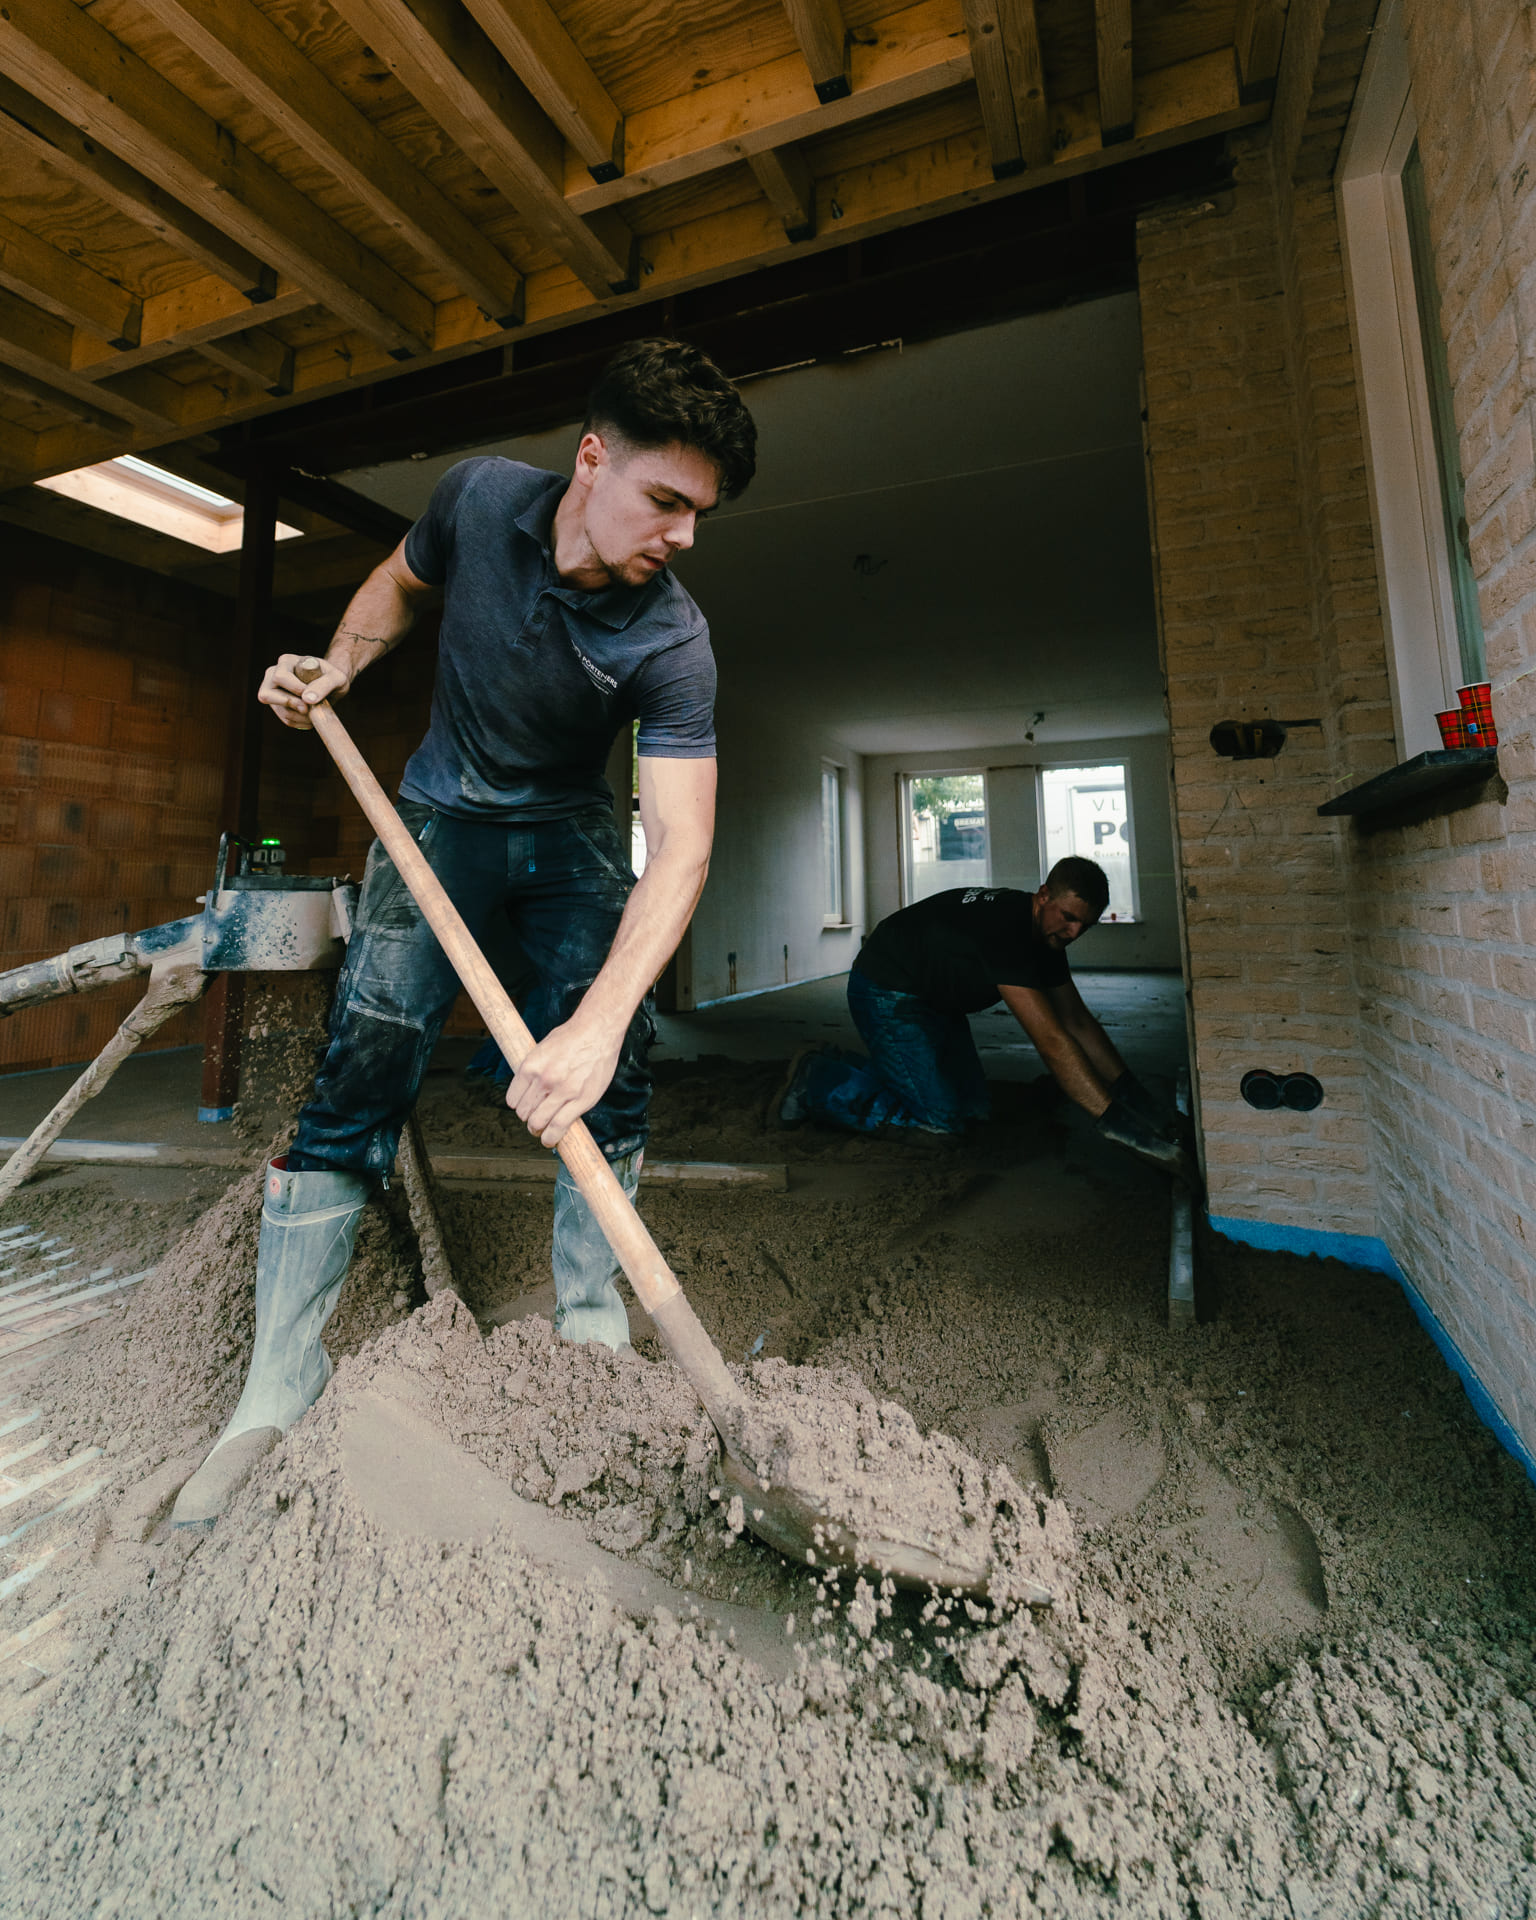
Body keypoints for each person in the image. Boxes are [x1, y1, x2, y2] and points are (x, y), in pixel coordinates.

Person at [173, 338, 758, 1525]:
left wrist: (592, 1030)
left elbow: (683, 848)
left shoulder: (672, 639)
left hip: (568, 833)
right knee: (360, 1072)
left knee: (616, 1071)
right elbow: (397, 584)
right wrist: (337, 666)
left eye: (703, 513)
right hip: (437, 813)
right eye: (667, 500)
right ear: (592, 460)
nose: (685, 535)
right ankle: (277, 1386)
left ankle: (592, 1339)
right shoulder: (480, 498)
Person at [773, 857, 1195, 1179]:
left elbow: (1078, 1023)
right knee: (940, 1125)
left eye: (1085, 925)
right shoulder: (1008, 933)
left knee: (974, 1110)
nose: (1074, 934)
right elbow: (1051, 1040)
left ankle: (858, 1066)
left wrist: (1133, 1095)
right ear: (1043, 895)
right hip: (889, 990)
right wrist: (1115, 1122)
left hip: (938, 999)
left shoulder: (1045, 937)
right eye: (1068, 918)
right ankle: (816, 1080)